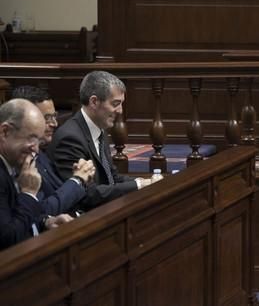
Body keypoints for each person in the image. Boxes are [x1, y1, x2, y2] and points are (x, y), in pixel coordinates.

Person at [49, 71, 148, 210]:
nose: (120, 111)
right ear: (94, 102)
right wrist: (137, 186)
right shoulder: (70, 139)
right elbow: (85, 194)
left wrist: (145, 182)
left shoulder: (98, 129)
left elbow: (111, 178)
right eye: (115, 103)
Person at [0, 99, 73, 250]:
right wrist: (28, 194)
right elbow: (7, 239)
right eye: (31, 139)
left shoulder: (12, 162)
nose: (36, 150)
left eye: (38, 141)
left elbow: (13, 214)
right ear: (5, 132)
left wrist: (45, 221)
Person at [11, 86, 95, 216]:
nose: (55, 123)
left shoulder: (41, 153)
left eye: (54, 116)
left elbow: (59, 192)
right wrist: (77, 180)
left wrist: (80, 178)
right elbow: (42, 210)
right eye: (47, 118)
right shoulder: (19, 160)